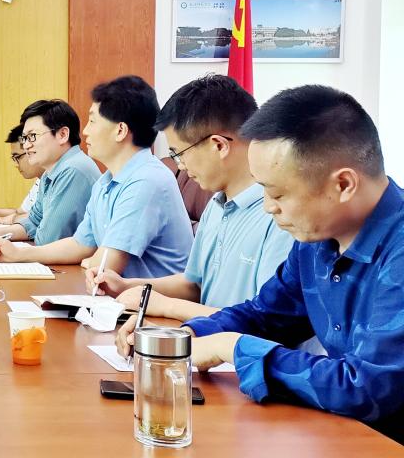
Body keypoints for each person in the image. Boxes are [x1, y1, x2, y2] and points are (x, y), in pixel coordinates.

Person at [117, 85, 404, 443]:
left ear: (343, 184)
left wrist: (230, 346)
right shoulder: (316, 241)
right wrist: (188, 336)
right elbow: (265, 315)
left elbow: (367, 388)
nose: (268, 207)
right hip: (342, 435)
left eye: (278, 193)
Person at [88, 75, 293, 321]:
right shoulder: (217, 205)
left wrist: (165, 306)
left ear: (219, 145)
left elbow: (266, 321)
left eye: (179, 154)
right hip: (206, 338)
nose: (181, 166)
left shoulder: (280, 216)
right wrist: (127, 285)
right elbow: (195, 285)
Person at [0, 76, 192, 279]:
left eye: (92, 121)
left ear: (120, 130)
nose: (85, 131)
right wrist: (18, 254)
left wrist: (92, 261)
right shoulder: (106, 181)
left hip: (149, 301)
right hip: (114, 295)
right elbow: (80, 244)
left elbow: (105, 264)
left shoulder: (147, 180)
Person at [0, 99, 100, 245]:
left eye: (32, 136)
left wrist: (14, 250)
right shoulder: (50, 172)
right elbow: (33, 221)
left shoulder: (73, 170)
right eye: (25, 138)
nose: (26, 145)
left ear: (62, 135)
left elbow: (48, 238)